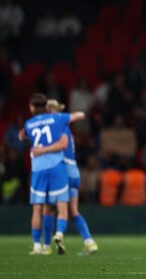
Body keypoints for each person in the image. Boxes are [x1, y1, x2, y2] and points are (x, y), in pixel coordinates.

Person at [33, 99, 98, 255]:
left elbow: (55, 146)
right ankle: (89, 242)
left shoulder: (56, 126)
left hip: (63, 171)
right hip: (74, 171)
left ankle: (49, 244)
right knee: (74, 211)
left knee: (48, 209)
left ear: (50, 111)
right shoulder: (66, 126)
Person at [21, 93, 78, 255]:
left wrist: (36, 147)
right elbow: (78, 117)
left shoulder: (29, 123)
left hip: (39, 168)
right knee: (59, 206)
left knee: (39, 208)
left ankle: (39, 245)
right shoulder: (59, 121)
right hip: (59, 167)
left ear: (32, 107)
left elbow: (24, 134)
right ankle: (57, 236)